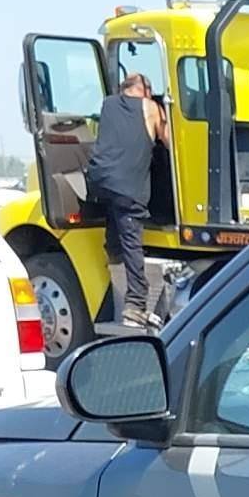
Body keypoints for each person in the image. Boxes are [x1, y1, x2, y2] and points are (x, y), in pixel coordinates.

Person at [87, 72, 169, 328]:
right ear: (144, 90)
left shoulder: (108, 104)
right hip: (128, 188)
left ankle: (112, 260)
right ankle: (135, 304)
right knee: (132, 239)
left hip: (100, 181)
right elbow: (168, 141)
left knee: (116, 228)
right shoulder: (151, 108)